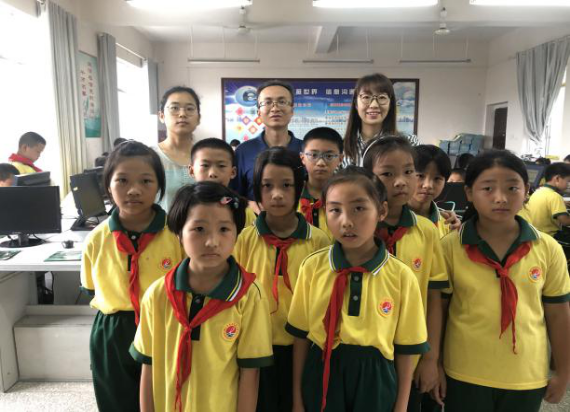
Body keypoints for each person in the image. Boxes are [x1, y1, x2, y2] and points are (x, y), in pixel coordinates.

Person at [431, 150, 570, 412]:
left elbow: (559, 313)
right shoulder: (450, 247)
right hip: (464, 371)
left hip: (526, 373)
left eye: (512, 188)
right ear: (469, 193)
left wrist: (564, 371)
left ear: (526, 190)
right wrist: (434, 363)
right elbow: (439, 309)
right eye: (488, 188)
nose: (500, 198)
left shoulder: (547, 248)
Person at [287, 166, 429, 412]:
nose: (347, 221)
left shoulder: (401, 276)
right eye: (335, 210)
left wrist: (401, 407)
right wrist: (297, 400)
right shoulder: (313, 267)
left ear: (381, 211)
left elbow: (406, 350)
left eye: (359, 208)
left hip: (376, 378)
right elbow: (300, 338)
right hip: (322, 371)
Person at [131, 182, 273, 412]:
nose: (212, 242)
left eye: (224, 229)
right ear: (179, 233)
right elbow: (148, 364)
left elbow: (250, 373)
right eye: (199, 229)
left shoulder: (249, 296)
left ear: (237, 234)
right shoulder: (158, 294)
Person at [80, 141, 184, 412]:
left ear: (159, 186)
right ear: (108, 186)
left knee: (164, 398)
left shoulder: (176, 235)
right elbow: (91, 288)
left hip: (165, 324)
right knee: (115, 398)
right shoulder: (96, 239)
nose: (134, 190)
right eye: (122, 180)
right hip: (114, 330)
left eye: (146, 181)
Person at [233, 147, 330, 412]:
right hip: (254, 348)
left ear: (299, 188)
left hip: (303, 349)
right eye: (267, 186)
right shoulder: (243, 240)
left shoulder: (319, 241)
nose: (277, 194)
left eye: (286, 185)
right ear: (257, 189)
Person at [362, 137, 448, 412]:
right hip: (365, 351)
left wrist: (431, 359)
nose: (401, 182)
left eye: (409, 171)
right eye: (388, 174)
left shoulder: (427, 231)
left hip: (410, 350)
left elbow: (434, 299)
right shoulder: (354, 229)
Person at [232, 80, 303, 213]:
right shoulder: (243, 151)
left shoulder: (306, 150)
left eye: (282, 102)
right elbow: (233, 195)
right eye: (267, 102)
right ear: (259, 112)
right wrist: (251, 205)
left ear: (292, 110)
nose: (275, 108)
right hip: (254, 223)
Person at [342, 73, 419, 167]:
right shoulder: (340, 148)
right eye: (366, 97)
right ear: (356, 104)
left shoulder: (410, 143)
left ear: (390, 104)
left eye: (382, 97)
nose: (374, 105)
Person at [188, 138, 257, 227]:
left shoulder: (243, 212)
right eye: (205, 165)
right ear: (192, 171)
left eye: (221, 166)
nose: (213, 173)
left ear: (233, 172)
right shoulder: (184, 208)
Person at [152, 86, 201, 211]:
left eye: (189, 109)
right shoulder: (149, 157)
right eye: (174, 108)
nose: (182, 114)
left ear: (198, 118)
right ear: (161, 116)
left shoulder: (207, 156)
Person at [298, 127, 344, 240]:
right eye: (314, 155)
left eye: (329, 156)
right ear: (302, 158)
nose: (321, 163)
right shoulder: (292, 195)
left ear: (340, 159)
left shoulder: (347, 197)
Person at [408, 145, 460, 238]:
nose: (428, 185)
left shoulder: (448, 223)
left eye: (437, 178)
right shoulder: (390, 218)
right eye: (420, 176)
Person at [527, 162, 570, 236]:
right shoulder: (555, 196)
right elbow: (565, 222)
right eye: (568, 181)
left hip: (535, 234)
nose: (568, 185)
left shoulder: (538, 191)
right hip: (549, 236)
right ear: (557, 178)